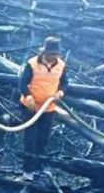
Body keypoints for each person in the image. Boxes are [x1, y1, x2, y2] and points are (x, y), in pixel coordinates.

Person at [18, 36, 67, 180]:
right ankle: (28, 170)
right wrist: (28, 96)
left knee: (43, 139)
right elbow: (22, 83)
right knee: (30, 139)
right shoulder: (32, 63)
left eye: (55, 54)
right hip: (31, 108)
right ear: (44, 52)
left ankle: (39, 167)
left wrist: (60, 92)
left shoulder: (61, 65)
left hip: (48, 108)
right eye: (50, 53)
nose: (53, 56)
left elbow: (65, 83)